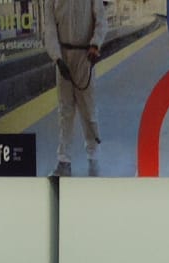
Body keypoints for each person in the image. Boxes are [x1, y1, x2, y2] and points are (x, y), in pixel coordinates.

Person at [43, 0, 108, 176]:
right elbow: (49, 28)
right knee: (65, 110)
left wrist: (95, 44)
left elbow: (101, 18)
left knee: (88, 109)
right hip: (63, 56)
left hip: (84, 57)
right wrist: (56, 57)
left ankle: (93, 156)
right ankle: (64, 160)